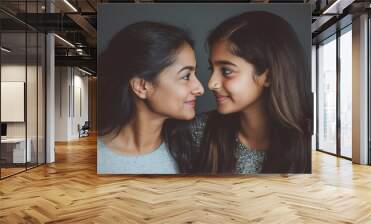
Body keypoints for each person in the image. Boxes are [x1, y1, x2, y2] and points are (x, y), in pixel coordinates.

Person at [192, 11, 312, 174]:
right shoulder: (199, 131)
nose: (211, 83)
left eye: (226, 71)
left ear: (268, 76)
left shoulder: (308, 143)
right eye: (211, 69)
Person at [98, 21, 204, 174]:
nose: (200, 89)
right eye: (186, 76)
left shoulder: (194, 151)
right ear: (142, 87)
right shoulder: (99, 159)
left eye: (195, 74)